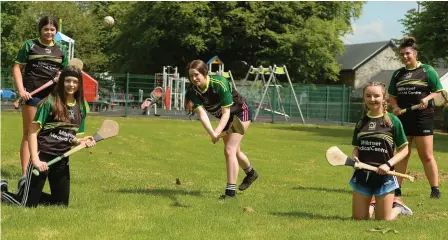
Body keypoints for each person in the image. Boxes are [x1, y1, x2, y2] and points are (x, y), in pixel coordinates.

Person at [1, 66, 95, 207]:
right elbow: (32, 132)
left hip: (61, 159)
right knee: (27, 205)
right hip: (42, 156)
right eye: (67, 81)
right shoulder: (49, 102)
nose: (71, 85)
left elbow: (70, 137)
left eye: (75, 82)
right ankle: (2, 192)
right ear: (61, 81)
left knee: (60, 204)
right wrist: (36, 160)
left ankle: (24, 188)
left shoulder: (82, 107)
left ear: (79, 84)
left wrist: (81, 141)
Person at [185, 59, 258, 199]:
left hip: (240, 113)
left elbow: (226, 112)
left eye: (196, 74)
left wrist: (218, 132)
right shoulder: (193, 91)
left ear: (204, 73)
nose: (194, 78)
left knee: (229, 150)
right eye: (191, 76)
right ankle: (251, 173)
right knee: (235, 152)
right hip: (226, 118)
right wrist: (212, 133)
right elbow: (202, 114)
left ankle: (230, 193)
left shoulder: (219, 83)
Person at [13, 16, 69, 177]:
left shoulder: (61, 49)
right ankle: (25, 174)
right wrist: (21, 90)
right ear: (40, 30)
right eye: (46, 29)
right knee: (29, 132)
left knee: (48, 134)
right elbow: (17, 67)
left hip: (53, 97)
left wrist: (61, 76)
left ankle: (43, 168)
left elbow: (65, 72)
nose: (49, 32)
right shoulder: (30, 45)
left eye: (52, 29)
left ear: (56, 31)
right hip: (32, 95)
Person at [388, 36, 443, 198]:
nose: (405, 57)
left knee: (426, 155)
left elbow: (437, 90)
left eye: (407, 53)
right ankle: (397, 189)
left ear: (415, 53)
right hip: (403, 119)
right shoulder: (398, 74)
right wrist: (396, 107)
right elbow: (392, 95)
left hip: (423, 117)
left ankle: (435, 189)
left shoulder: (427, 70)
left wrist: (426, 99)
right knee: (402, 153)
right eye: (402, 54)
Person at [351, 81, 411, 220]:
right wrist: (355, 157)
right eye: (368, 96)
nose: (372, 99)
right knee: (359, 219)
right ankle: (372, 206)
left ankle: (398, 207)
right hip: (363, 176)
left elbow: (404, 149)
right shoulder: (361, 122)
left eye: (376, 96)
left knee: (384, 220)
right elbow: (357, 147)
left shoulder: (393, 121)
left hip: (385, 176)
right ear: (364, 98)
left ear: (384, 98)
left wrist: (388, 164)